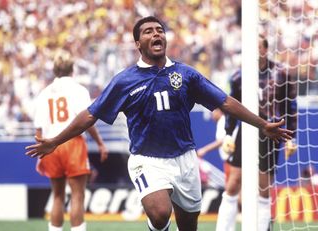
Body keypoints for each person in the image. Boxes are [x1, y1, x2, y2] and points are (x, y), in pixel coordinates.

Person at [26, 17, 293, 231]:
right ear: (137, 44)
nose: (156, 34)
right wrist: (55, 141)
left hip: (185, 158)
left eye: (160, 30)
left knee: (189, 225)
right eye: (148, 32)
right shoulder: (124, 81)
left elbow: (225, 102)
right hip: (147, 160)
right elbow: (90, 114)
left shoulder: (186, 74)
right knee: (160, 213)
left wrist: (262, 125)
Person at [216, 35, 297, 231]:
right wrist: (228, 133)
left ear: (265, 50)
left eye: (257, 47)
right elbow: (230, 107)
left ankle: (261, 228)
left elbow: (290, 106)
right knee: (233, 182)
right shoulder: (238, 76)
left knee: (263, 187)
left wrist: (291, 137)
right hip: (245, 130)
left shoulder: (281, 74)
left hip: (270, 132)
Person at [33, 49, 108, 231]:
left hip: (50, 145)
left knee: (57, 195)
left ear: (55, 70)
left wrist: (40, 151)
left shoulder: (44, 93)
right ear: (72, 69)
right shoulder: (78, 89)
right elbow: (87, 121)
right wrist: (99, 143)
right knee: (77, 195)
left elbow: (39, 127)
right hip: (72, 143)